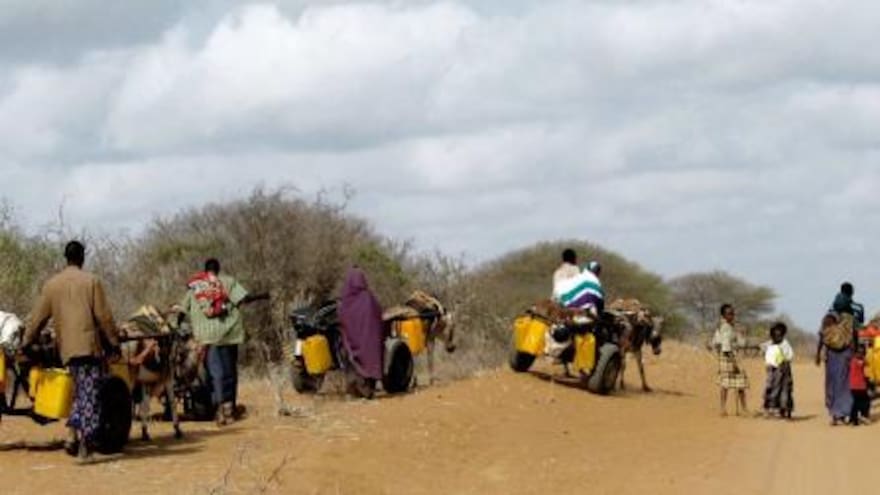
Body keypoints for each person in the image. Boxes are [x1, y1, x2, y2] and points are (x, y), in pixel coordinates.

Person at [20, 240, 119, 462]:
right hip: (89, 347)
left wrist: (26, 341)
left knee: (80, 392)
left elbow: (37, 317)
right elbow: (104, 316)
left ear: (66, 257)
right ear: (82, 257)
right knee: (90, 394)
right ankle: (85, 445)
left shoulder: (52, 285)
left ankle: (72, 437)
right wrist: (114, 342)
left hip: (66, 350)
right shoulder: (92, 281)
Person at [180, 258, 264, 426]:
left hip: (205, 338)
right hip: (229, 335)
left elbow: (182, 311)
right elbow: (243, 299)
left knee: (215, 373)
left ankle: (220, 408)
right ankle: (227, 409)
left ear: (205, 271)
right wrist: (262, 296)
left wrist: (180, 327)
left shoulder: (195, 287)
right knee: (229, 372)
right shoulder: (228, 282)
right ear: (218, 270)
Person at [338, 267, 385, 399]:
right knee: (370, 355)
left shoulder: (345, 301)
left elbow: (341, 320)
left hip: (352, 345)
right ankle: (368, 389)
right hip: (371, 346)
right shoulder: (370, 299)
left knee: (346, 353)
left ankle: (353, 390)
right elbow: (379, 317)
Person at [816, 311, 854, 426]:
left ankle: (835, 415)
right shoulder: (847, 325)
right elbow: (853, 341)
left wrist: (818, 355)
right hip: (844, 358)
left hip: (832, 358)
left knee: (832, 385)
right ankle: (842, 414)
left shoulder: (826, 322)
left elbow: (821, 341)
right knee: (844, 385)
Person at [713, 304, 749, 417]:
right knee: (727, 384)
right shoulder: (724, 327)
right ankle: (724, 409)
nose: (732, 315)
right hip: (727, 357)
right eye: (729, 313)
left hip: (733, 356)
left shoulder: (731, 326)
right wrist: (733, 362)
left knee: (738, 384)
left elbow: (741, 343)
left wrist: (742, 335)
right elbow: (725, 345)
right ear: (723, 315)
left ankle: (743, 408)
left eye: (732, 313)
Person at [762, 323, 794, 419]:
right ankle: (769, 408)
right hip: (772, 371)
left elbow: (790, 356)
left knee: (785, 390)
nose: (777, 338)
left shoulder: (786, 344)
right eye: (775, 336)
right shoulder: (770, 344)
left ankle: (783, 410)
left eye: (779, 336)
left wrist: (784, 360)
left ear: (783, 335)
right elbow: (764, 351)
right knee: (771, 388)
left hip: (784, 371)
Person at [850, 344, 871, 426]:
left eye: (862, 352)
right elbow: (866, 363)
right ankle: (862, 416)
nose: (861, 354)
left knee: (856, 403)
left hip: (854, 386)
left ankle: (854, 419)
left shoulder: (852, 360)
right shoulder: (857, 361)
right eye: (859, 352)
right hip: (859, 386)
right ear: (855, 353)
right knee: (865, 402)